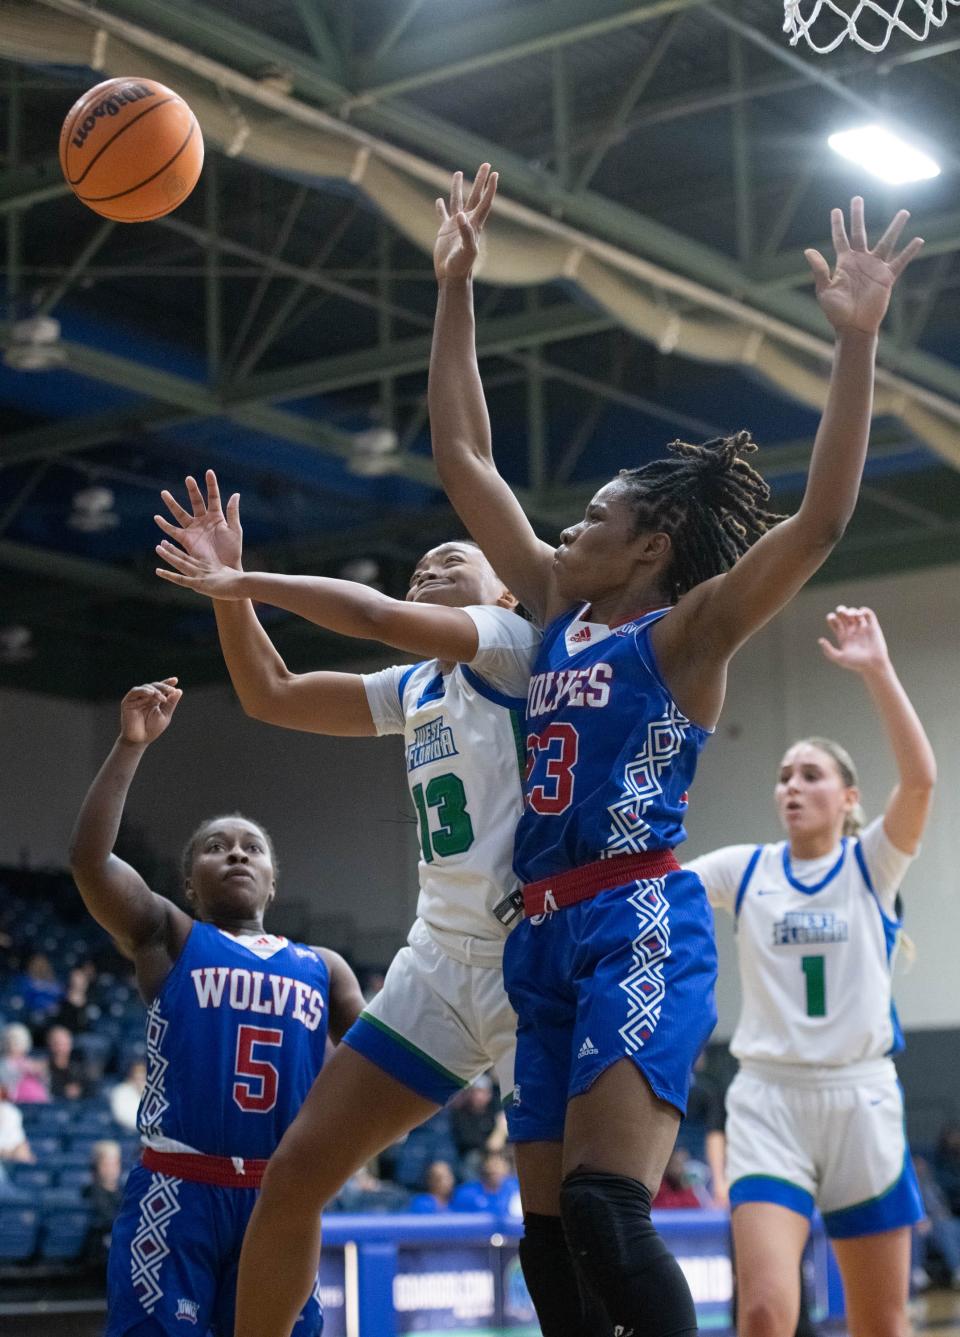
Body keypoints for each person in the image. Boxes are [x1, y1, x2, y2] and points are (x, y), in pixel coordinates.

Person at [427, 161, 923, 1337]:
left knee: (606, 1212)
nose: (566, 527)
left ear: (651, 541)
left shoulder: (690, 632)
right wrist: (456, 286)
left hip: (635, 918)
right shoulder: (552, 602)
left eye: (595, 513)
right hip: (538, 937)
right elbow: (462, 456)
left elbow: (821, 522)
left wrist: (853, 344)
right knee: (548, 1256)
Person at [152, 472, 544, 1337]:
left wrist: (239, 579)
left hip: (532, 962)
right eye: (419, 565)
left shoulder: (510, 643)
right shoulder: (413, 689)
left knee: (559, 1224)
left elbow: (371, 615)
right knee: (296, 1172)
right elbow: (272, 694)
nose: (428, 565)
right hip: (437, 962)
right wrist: (229, 601)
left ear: (506, 589)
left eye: (453, 557)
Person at [68, 678, 364, 1337]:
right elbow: (90, 862)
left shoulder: (325, 966)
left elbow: (378, 1070)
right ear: (187, 881)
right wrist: (129, 744)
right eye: (215, 845)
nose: (235, 851)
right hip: (178, 1187)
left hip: (280, 1195)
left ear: (273, 879)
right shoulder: (169, 935)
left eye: (250, 846)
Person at [687, 606, 935, 1337]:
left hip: (861, 1098)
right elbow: (655, 887)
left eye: (811, 774)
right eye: (784, 775)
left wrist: (877, 671)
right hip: (769, 1098)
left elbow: (919, 781)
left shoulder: (871, 864)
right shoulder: (746, 867)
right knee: (763, 1311)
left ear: (848, 797)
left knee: (880, 1323)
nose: (791, 785)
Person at [84, 1139, 124, 1272]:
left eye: (114, 1164)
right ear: (96, 1166)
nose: (111, 1169)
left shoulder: (125, 1192)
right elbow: (108, 1218)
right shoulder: (91, 1192)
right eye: (106, 1164)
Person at [451, 1149, 522, 1218]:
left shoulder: (517, 1190)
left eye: (498, 1164)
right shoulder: (466, 1193)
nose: (494, 1169)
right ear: (483, 1167)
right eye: (491, 1164)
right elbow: (457, 1223)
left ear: (507, 1168)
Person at [0, 1021, 49, 1103]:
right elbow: (6, 1083)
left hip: (38, 1100)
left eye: (18, 1040)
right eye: (11, 1039)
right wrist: (21, 1071)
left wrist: (41, 1071)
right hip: (17, 1101)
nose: (13, 1043)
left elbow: (45, 1081)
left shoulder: (31, 1061)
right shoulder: (3, 1063)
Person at [46, 1023, 94, 1101]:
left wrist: (79, 1090)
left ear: (70, 1045)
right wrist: (63, 1091)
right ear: (49, 1044)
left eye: (64, 1044)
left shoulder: (80, 1068)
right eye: (56, 1044)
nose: (60, 1048)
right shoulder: (44, 1068)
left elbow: (91, 1089)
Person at [110, 1059, 147, 1133]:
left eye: (143, 1077)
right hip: (127, 1132)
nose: (139, 1081)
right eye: (137, 1077)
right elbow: (121, 1117)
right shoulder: (120, 1091)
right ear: (130, 1076)